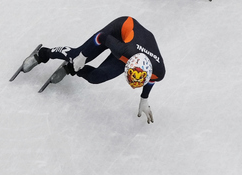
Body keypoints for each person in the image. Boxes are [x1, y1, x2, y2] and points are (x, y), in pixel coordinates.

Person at [11, 16, 163, 123]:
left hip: (134, 46)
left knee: (97, 77)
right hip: (121, 29)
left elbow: (152, 81)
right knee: (76, 54)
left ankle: (71, 68)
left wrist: (144, 99)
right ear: (128, 64)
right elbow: (101, 38)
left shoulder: (158, 72)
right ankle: (43, 54)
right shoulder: (124, 51)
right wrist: (83, 56)